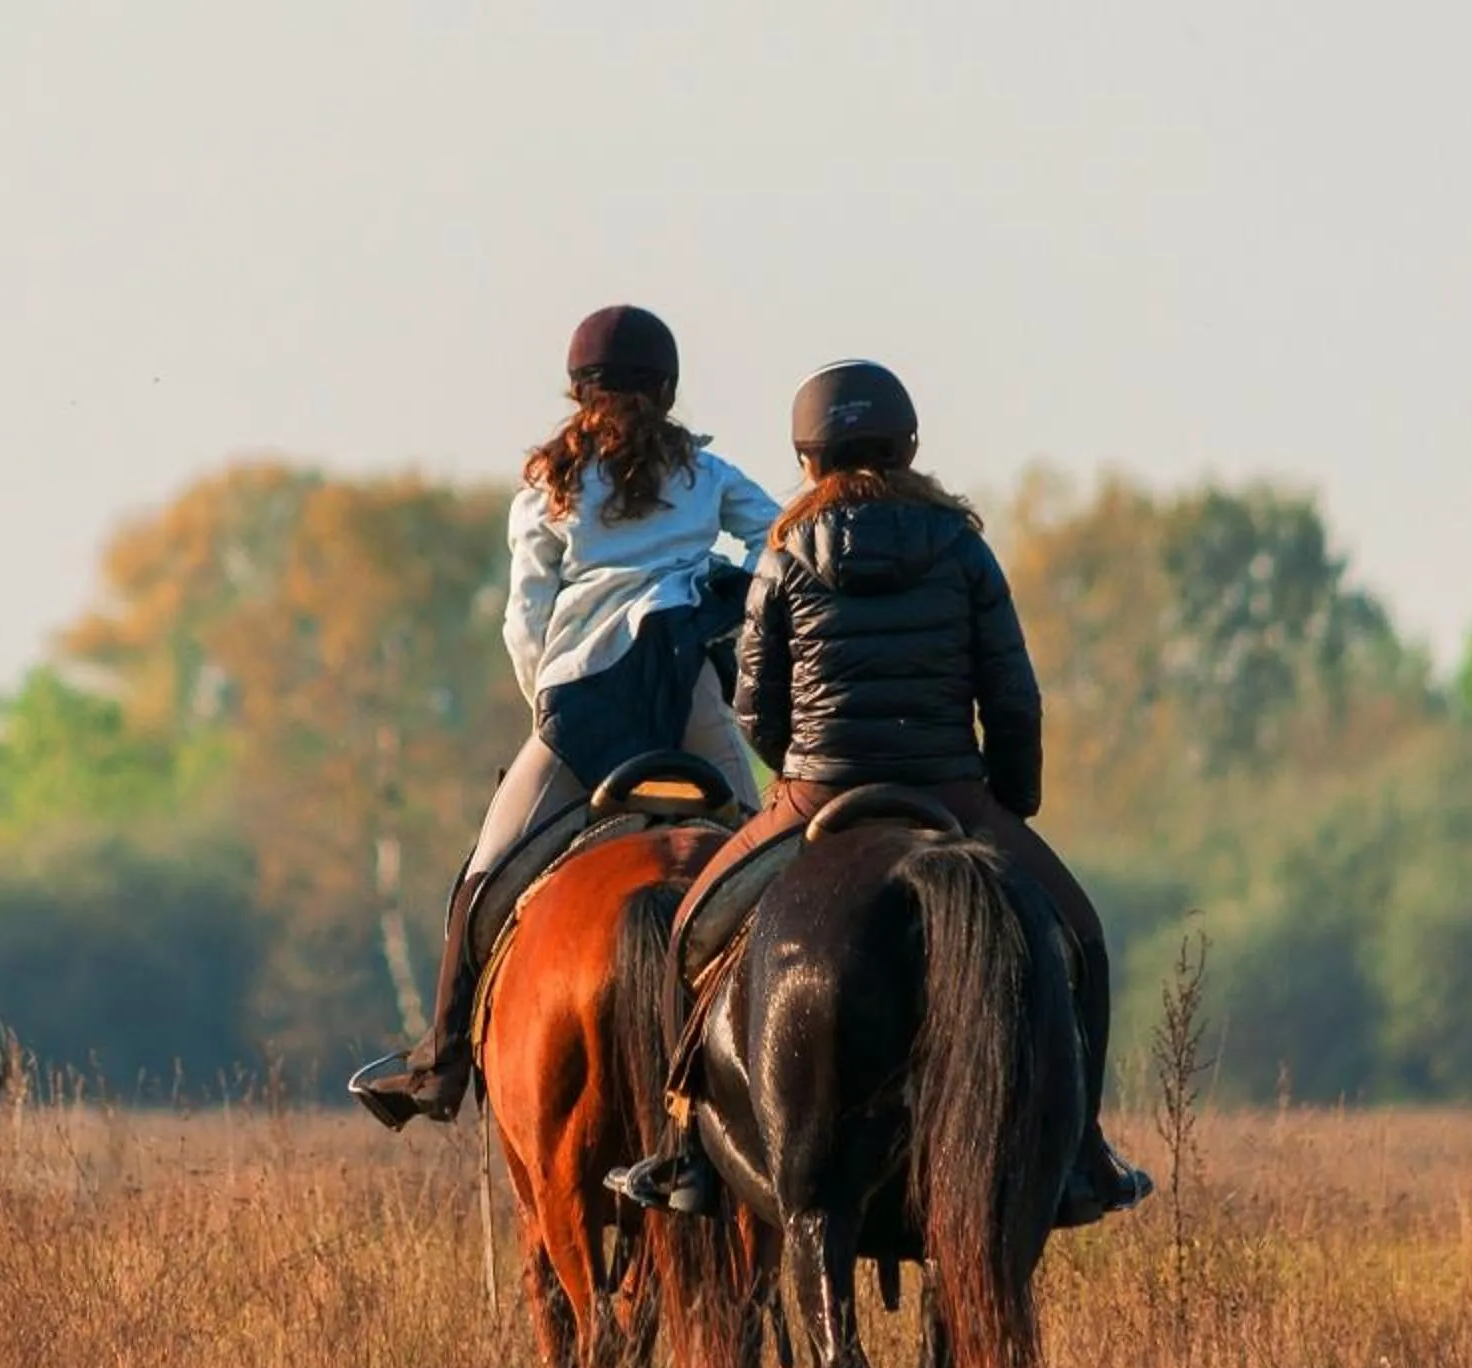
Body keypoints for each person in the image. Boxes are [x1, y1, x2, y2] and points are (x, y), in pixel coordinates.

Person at [608, 359, 1153, 1226]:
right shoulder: (964, 549)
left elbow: (755, 705)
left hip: (815, 790)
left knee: (686, 934)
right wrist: (1011, 798)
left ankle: (685, 1153)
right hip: (950, 788)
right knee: (1079, 940)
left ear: (808, 457)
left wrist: (796, 769)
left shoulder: (783, 556)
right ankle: (1082, 1151)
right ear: (907, 445)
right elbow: (1012, 696)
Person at [352, 305, 781, 1127]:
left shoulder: (545, 485)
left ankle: (438, 1061)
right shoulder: (705, 474)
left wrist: (545, 710)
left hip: (579, 709)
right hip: (687, 697)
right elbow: (776, 544)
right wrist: (718, 585)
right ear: (667, 388)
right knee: (769, 860)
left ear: (577, 390)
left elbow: (523, 620)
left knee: (484, 875)